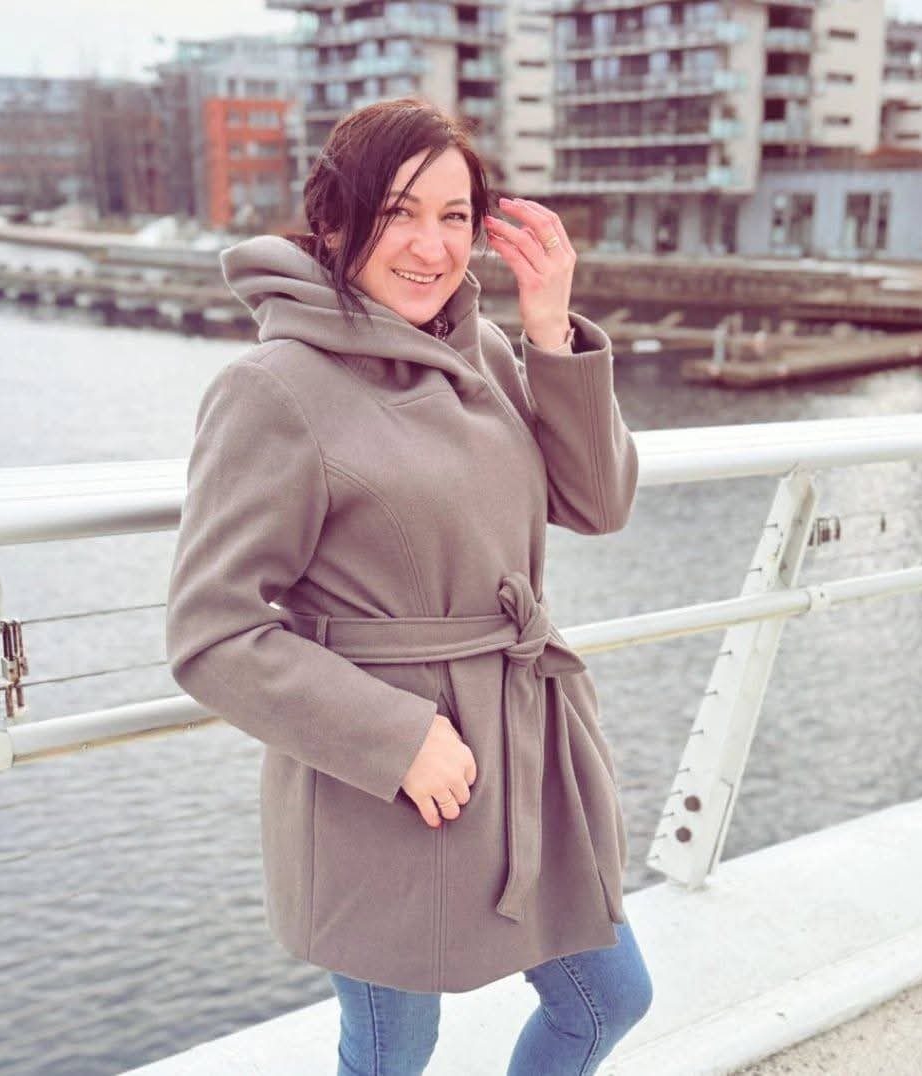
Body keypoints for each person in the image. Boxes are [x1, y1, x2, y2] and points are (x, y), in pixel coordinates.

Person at [164, 97, 652, 1074]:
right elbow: (211, 632)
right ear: (334, 220)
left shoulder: (484, 349)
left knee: (608, 998)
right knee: (395, 1050)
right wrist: (396, 740)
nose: (432, 247)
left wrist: (550, 332)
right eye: (398, 213)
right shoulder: (274, 387)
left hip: (523, 749)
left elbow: (597, 503)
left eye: (454, 216)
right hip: (389, 782)